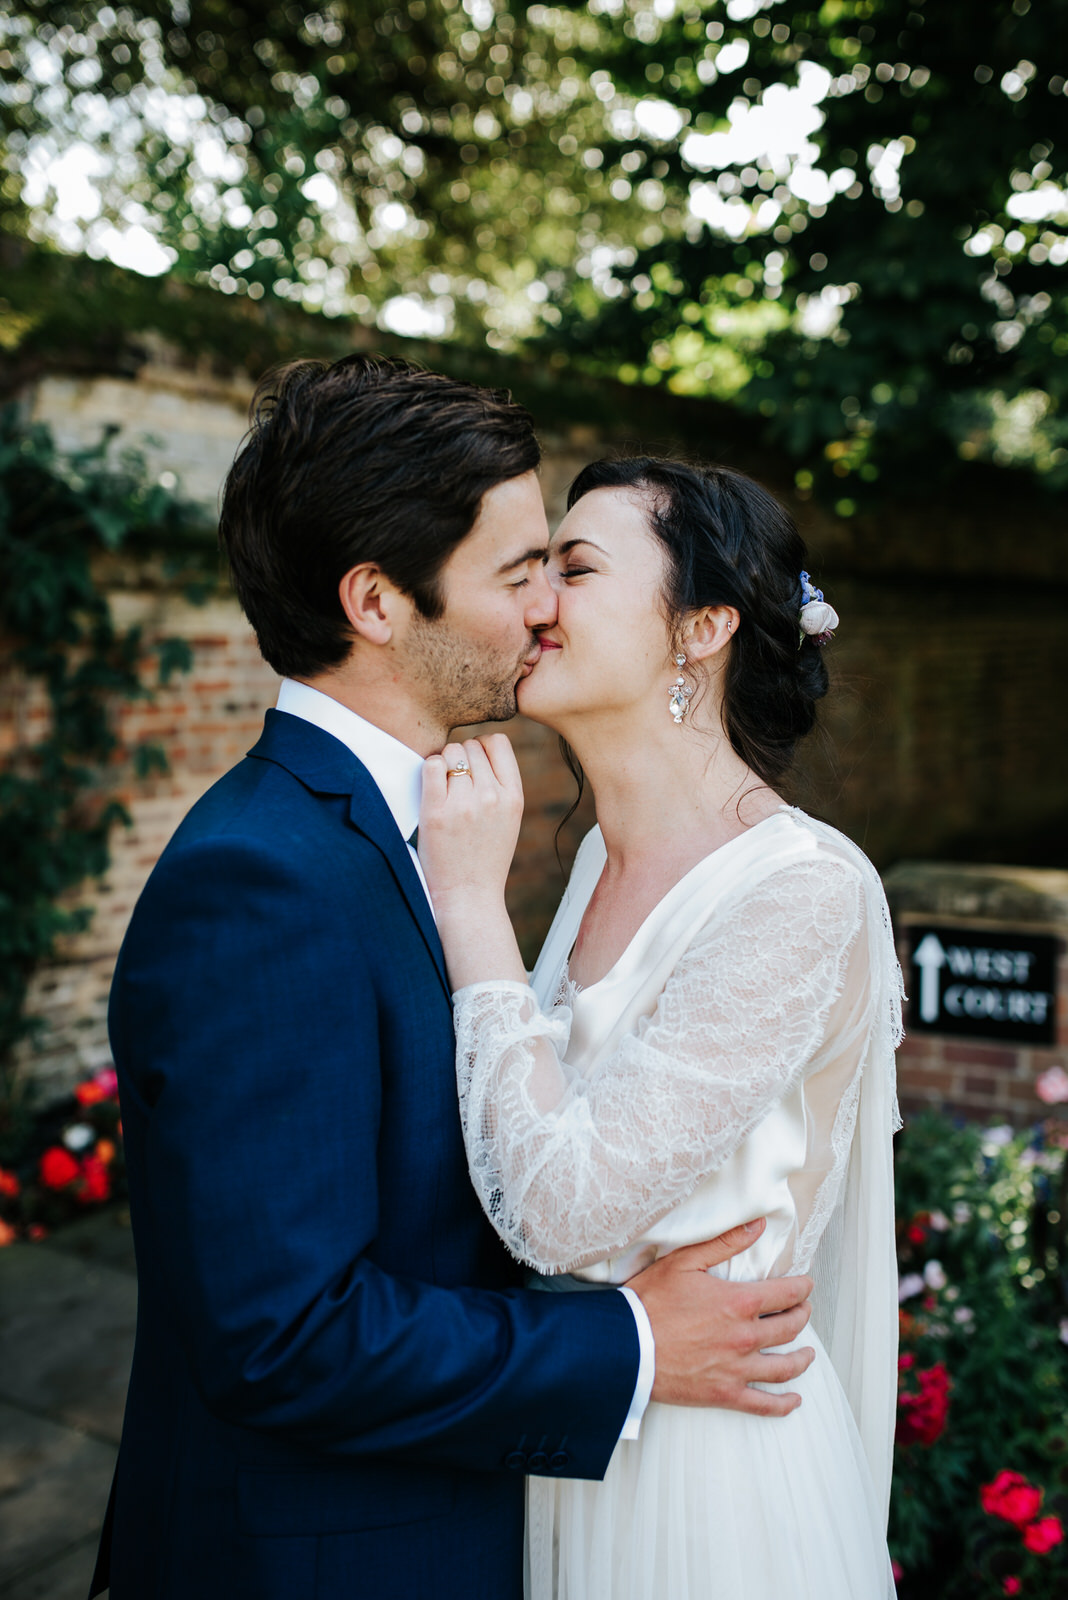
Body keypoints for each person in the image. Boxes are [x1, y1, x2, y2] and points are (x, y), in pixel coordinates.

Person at [89, 359, 817, 1600]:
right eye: (518, 568)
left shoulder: (420, 825)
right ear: (377, 599)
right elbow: (284, 1336)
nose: (549, 607)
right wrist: (632, 1342)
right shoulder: (264, 880)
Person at [418, 456, 904, 1600]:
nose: (539, 602)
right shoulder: (595, 856)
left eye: (575, 569)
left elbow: (560, 1205)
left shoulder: (803, 891)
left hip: (709, 1481)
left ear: (703, 628)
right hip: (572, 1426)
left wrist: (470, 907)